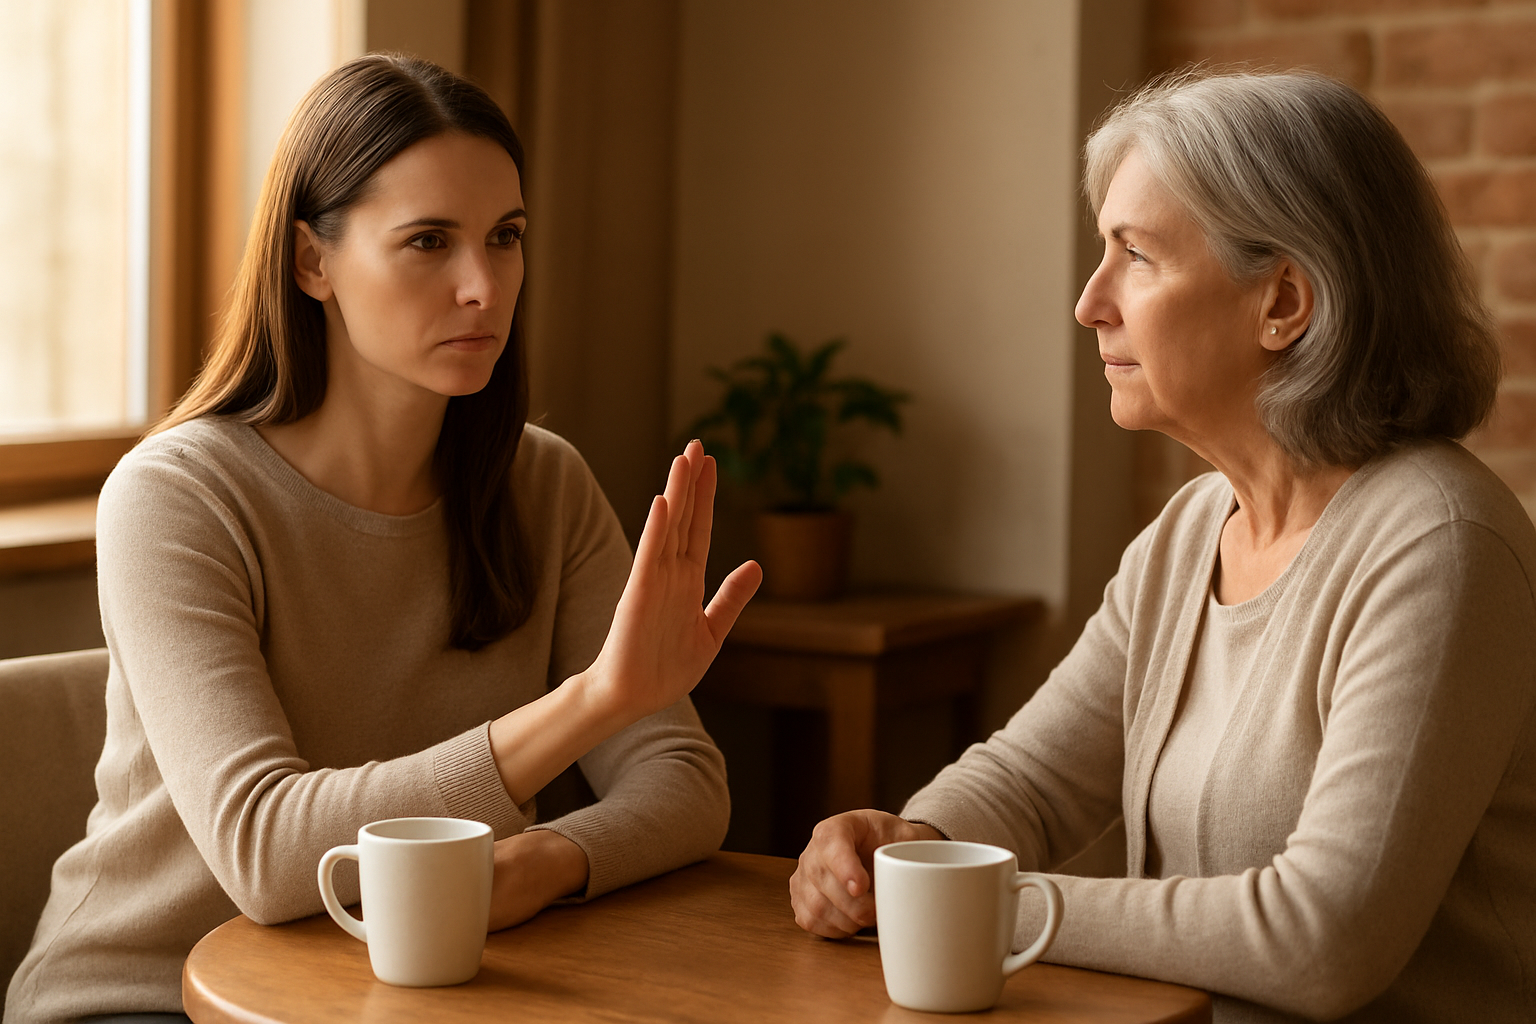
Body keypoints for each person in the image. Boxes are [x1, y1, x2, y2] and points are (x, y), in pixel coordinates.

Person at [6, 55, 761, 1024]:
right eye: (428, 242)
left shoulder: (542, 484)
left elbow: (685, 782)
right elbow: (270, 855)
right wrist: (592, 703)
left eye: (506, 236)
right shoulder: (176, 496)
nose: (484, 286)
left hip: (402, 995)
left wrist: (551, 858)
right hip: (145, 994)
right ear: (312, 261)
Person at [791, 69, 1536, 1023]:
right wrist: (905, 843)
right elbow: (1035, 781)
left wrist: (977, 905)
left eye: (1135, 255)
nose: (1090, 303)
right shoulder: (1191, 533)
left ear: (1286, 302)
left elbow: (1326, 939)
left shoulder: (1438, 545)